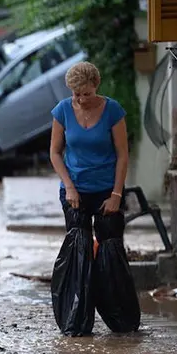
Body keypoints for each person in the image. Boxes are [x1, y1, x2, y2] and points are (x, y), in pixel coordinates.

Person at [50, 61, 129, 228]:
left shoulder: (113, 110)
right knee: (77, 246)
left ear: (96, 87)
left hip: (106, 187)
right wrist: (69, 187)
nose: (81, 100)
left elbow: (122, 155)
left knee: (110, 246)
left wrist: (116, 194)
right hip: (75, 188)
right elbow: (55, 153)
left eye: (87, 94)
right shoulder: (62, 110)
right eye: (76, 94)